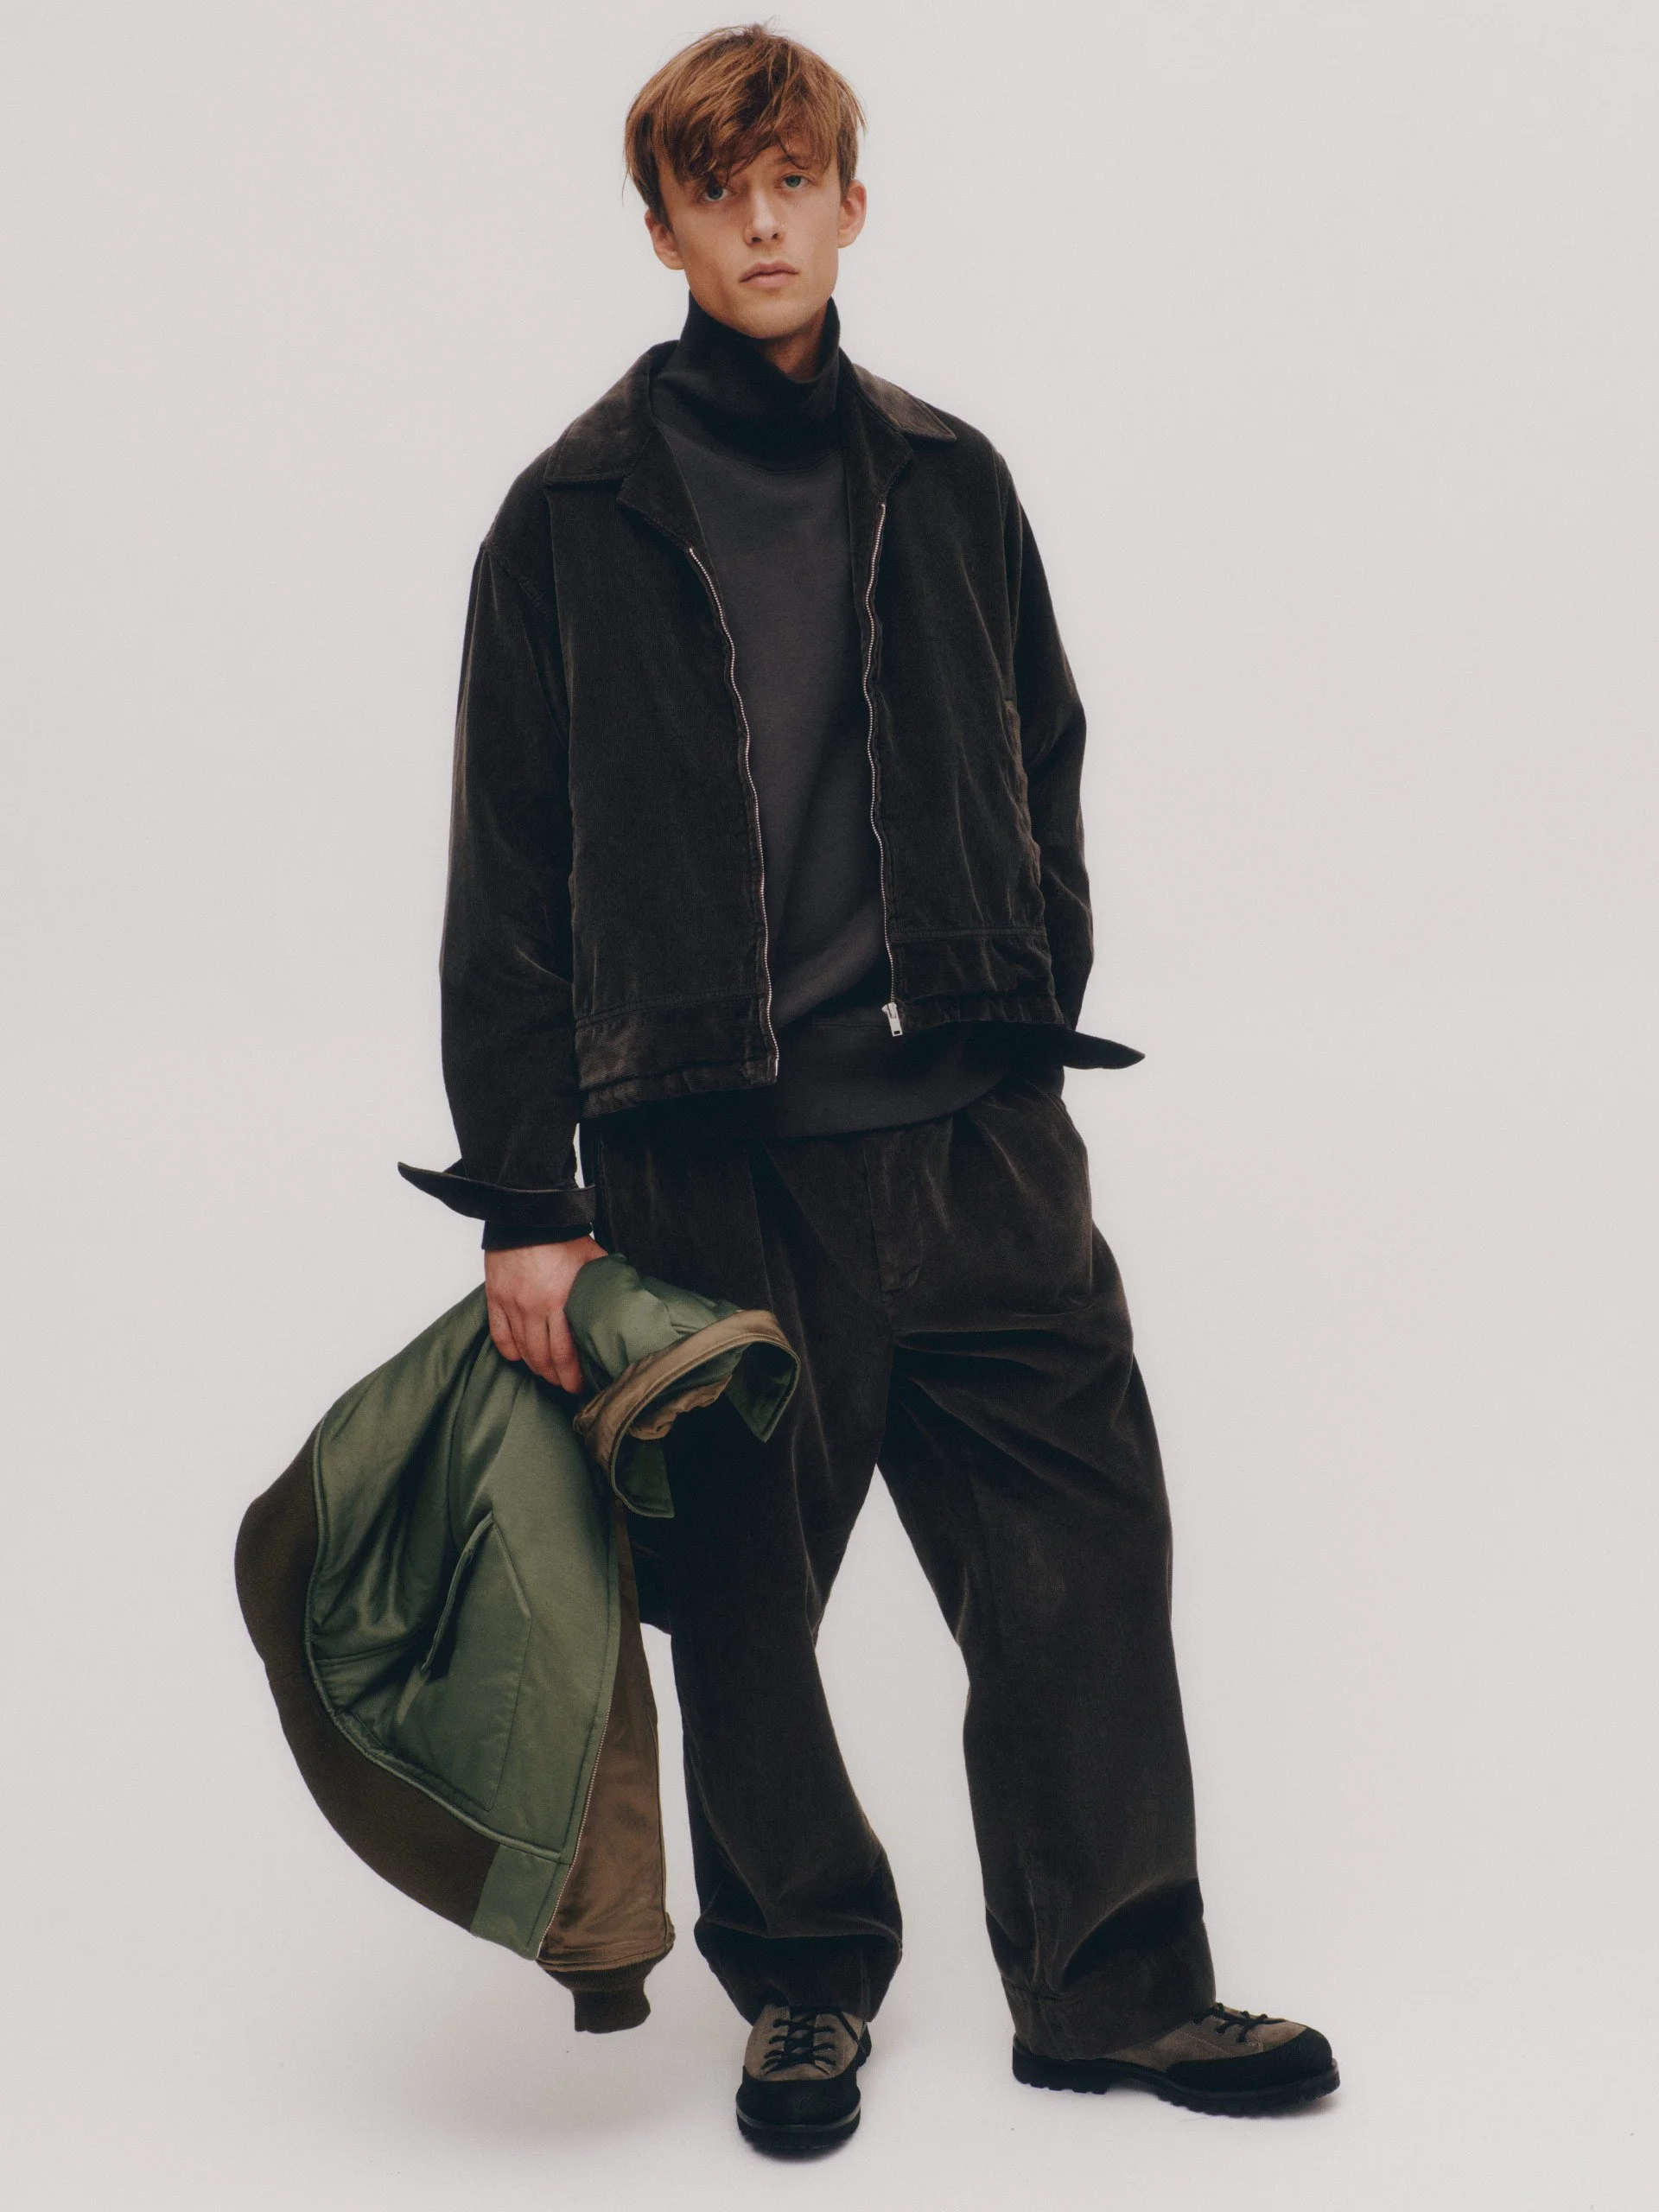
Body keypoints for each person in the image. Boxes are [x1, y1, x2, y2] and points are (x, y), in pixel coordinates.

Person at [423, 21, 1338, 2153]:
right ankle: (807, 1985)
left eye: (794, 183)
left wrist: (1020, 1002)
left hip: (978, 1143)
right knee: (746, 1599)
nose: (763, 223)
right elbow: (509, 871)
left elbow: (1042, 749)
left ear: (852, 203)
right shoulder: (570, 515)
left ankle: (1115, 1987)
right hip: (712, 1162)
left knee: (1083, 1559)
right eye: (717, 191)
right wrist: (528, 1199)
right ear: (661, 227)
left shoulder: (953, 479)